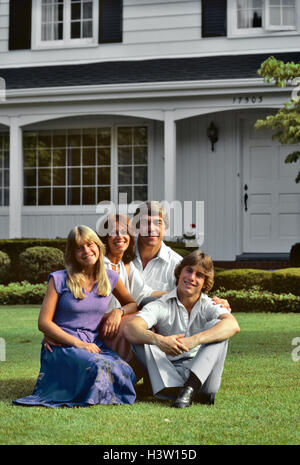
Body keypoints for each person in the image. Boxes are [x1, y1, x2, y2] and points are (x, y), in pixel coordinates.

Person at [13, 225, 137, 408]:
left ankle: (100, 392)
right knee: (98, 368)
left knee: (125, 369)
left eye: (90, 244)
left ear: (98, 246)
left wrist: (118, 312)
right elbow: (43, 322)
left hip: (94, 344)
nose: (86, 251)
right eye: (79, 247)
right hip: (61, 345)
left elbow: (132, 304)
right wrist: (78, 343)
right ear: (72, 253)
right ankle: (92, 393)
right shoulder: (58, 279)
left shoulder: (111, 277)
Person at [124, 250, 240, 408]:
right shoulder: (161, 305)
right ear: (179, 273)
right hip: (167, 375)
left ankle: (191, 387)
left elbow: (233, 325)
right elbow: (130, 327)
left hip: (202, 376)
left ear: (205, 283)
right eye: (189, 270)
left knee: (219, 328)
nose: (192, 278)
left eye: (199, 275)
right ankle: (182, 392)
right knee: (141, 337)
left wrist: (194, 340)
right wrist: (159, 340)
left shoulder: (209, 305)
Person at [97, 213, 164, 362]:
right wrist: (115, 315)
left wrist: (182, 294)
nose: (119, 237)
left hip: (118, 325)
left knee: (151, 315)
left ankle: (149, 378)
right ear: (105, 238)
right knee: (141, 325)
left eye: (124, 232)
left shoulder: (125, 267)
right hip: (99, 330)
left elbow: (146, 294)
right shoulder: (98, 266)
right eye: (113, 232)